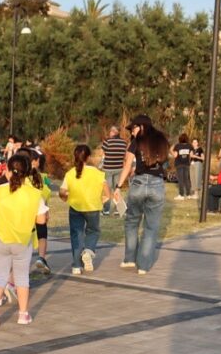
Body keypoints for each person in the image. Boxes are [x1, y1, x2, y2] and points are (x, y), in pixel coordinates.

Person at [0, 153, 47, 328]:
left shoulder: (0, 190)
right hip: (22, 241)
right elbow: (41, 220)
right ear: (27, 171)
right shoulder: (34, 193)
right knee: (21, 277)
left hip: (0, 238)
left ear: (8, 170)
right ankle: (23, 314)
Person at [114, 114, 170, 274]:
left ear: (142, 126)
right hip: (157, 184)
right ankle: (144, 266)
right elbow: (165, 162)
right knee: (151, 227)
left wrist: (118, 186)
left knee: (132, 222)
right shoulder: (162, 140)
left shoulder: (136, 141)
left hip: (139, 184)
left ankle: (130, 259)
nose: (132, 132)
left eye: (133, 128)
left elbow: (126, 165)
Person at [59, 145, 110, 275]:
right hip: (93, 207)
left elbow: (62, 191)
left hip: (75, 207)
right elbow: (105, 187)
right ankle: (88, 251)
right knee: (93, 231)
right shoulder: (95, 172)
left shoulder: (70, 173)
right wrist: (106, 197)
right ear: (88, 157)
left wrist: (65, 197)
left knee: (76, 235)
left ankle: (76, 266)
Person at [99, 126, 129, 216]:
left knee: (107, 190)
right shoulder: (124, 142)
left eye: (110, 131)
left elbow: (102, 153)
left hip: (108, 168)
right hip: (119, 168)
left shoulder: (107, 141)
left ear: (113, 132)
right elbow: (125, 156)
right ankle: (118, 210)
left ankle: (106, 210)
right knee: (117, 189)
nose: (109, 133)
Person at [171, 134, 194, 200]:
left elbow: (175, 156)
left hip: (179, 164)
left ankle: (181, 195)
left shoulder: (178, 146)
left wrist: (171, 151)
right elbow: (191, 155)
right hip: (186, 164)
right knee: (187, 179)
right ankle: (188, 194)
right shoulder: (189, 145)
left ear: (180, 139)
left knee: (181, 180)